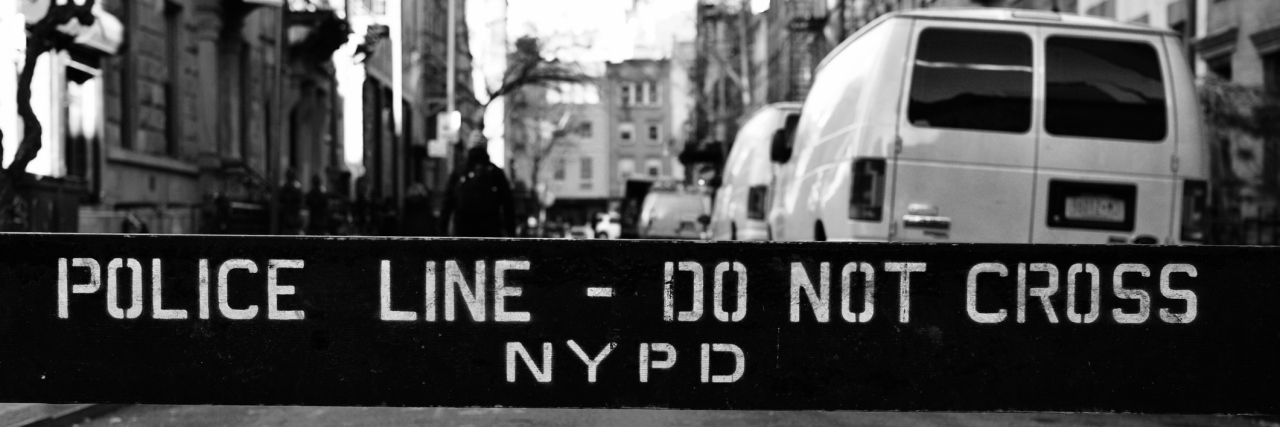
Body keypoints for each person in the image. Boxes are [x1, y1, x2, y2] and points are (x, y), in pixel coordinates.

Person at [440, 145, 515, 237]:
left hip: (463, 231)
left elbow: (447, 203)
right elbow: (508, 204)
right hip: (490, 229)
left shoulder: (460, 171)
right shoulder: (495, 172)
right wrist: (511, 233)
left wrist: (442, 232)